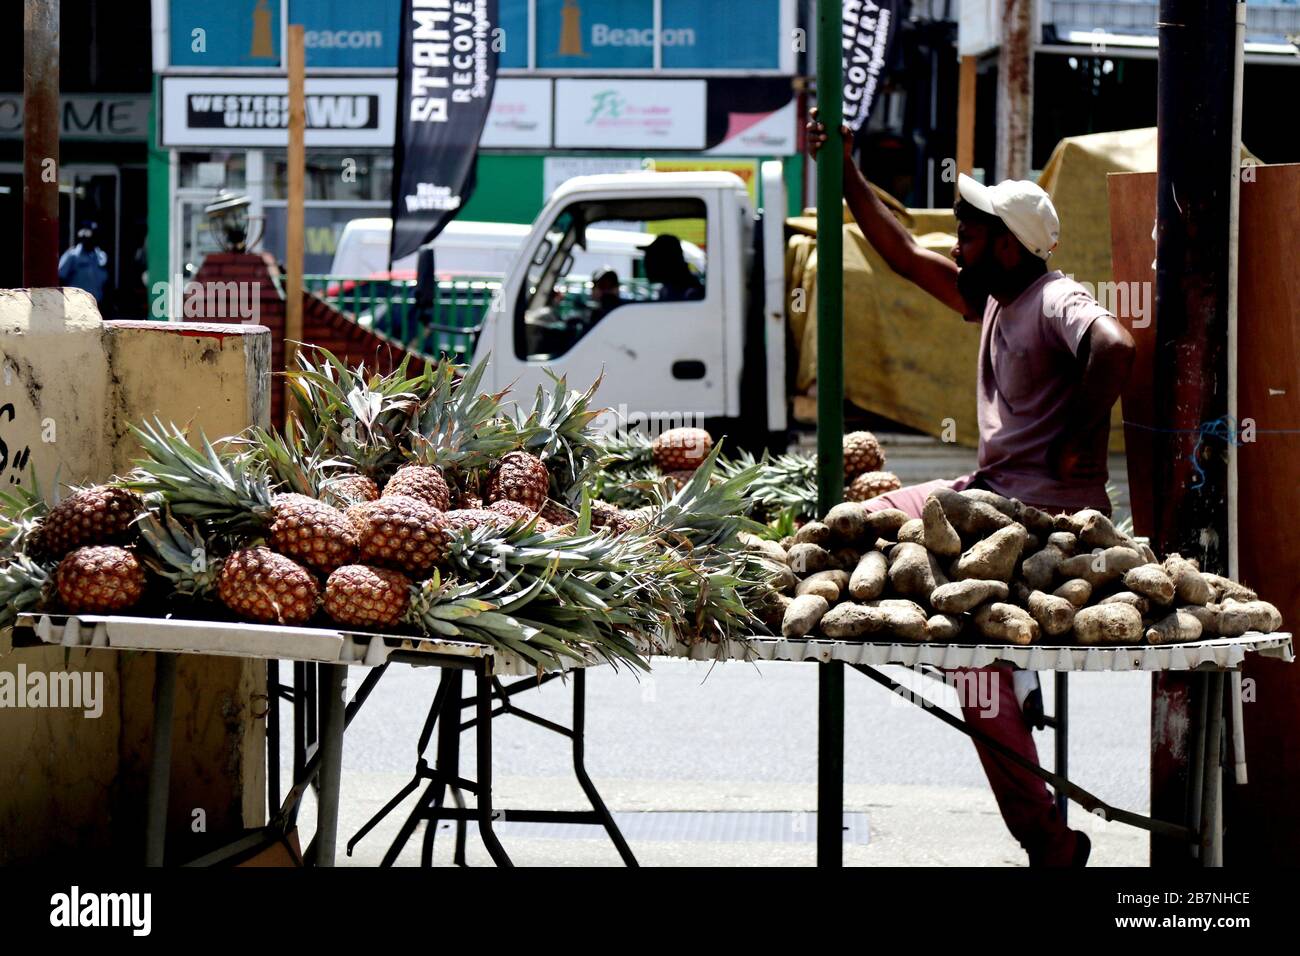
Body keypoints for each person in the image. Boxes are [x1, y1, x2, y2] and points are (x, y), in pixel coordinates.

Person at [808, 108, 1137, 867]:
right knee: (849, 526)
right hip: (983, 495)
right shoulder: (991, 297)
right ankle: (1004, 694)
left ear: (1012, 247)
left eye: (972, 230)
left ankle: (1048, 842)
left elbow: (1115, 347)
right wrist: (846, 169)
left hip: (1029, 517)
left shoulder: (1051, 298)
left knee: (975, 676)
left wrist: (1079, 444)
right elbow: (896, 252)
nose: (957, 241)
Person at [59, 224, 110, 306]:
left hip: (97, 304)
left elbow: (105, 281)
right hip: (77, 304)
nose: (90, 241)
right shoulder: (72, 256)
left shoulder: (101, 256)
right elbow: (61, 277)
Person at [642, 234, 704, 302]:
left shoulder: (692, 293)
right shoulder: (665, 290)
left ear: (667, 262)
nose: (645, 266)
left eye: (651, 260)